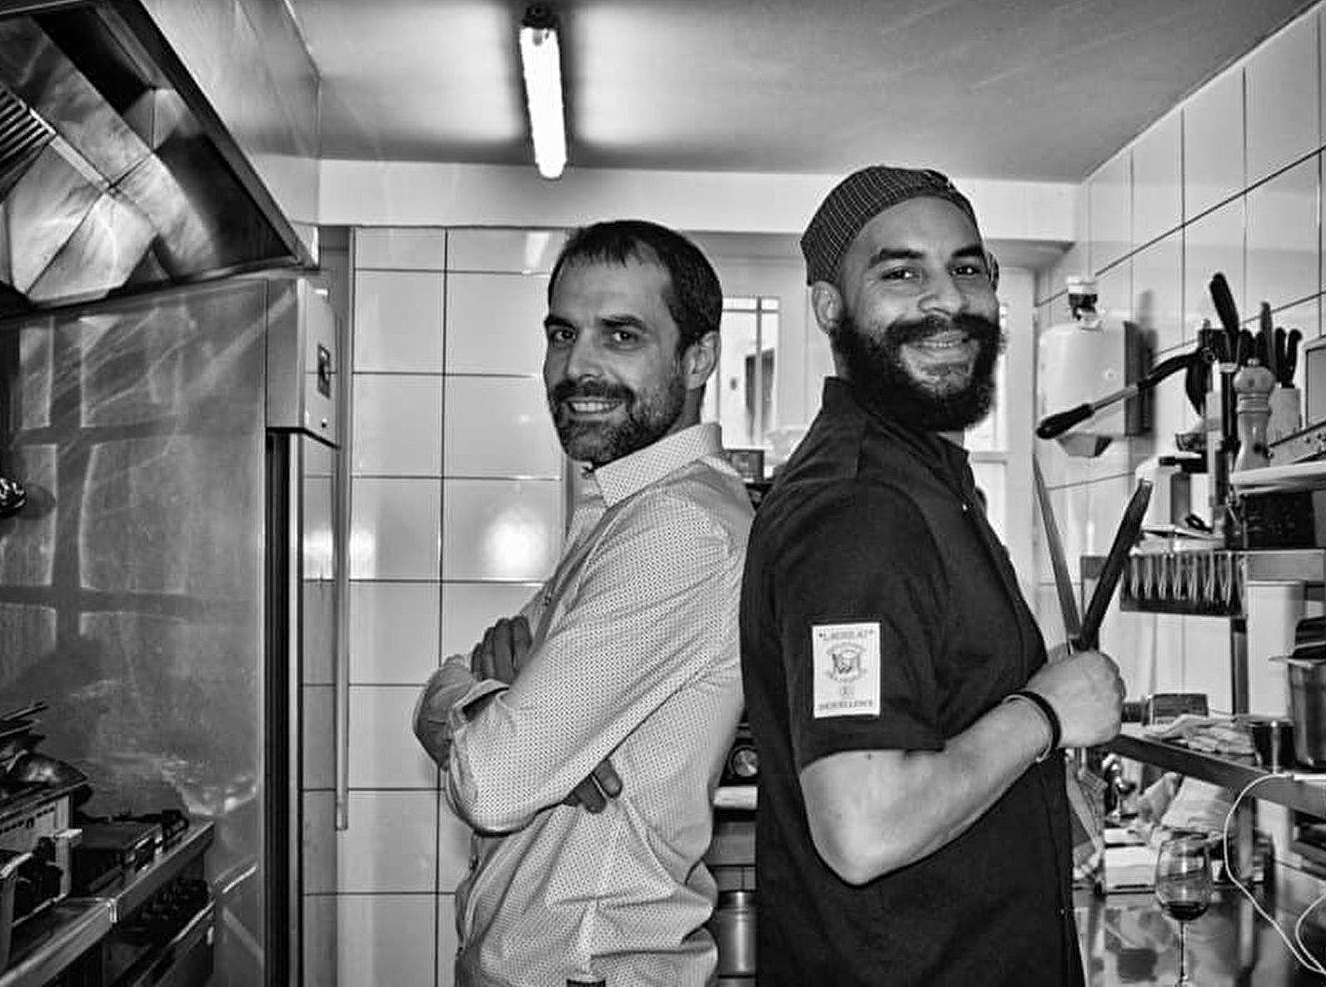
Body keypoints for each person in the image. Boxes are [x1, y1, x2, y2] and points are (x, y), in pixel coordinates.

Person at [740, 167, 1126, 985]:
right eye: (900, 272)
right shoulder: (859, 506)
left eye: (967, 267)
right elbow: (865, 827)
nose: (947, 298)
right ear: (828, 308)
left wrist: (1029, 787)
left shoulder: (927, 483)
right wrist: (1045, 715)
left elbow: (932, 732)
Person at [413, 219, 754, 987]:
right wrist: (493, 700)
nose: (576, 366)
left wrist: (499, 716)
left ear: (698, 358)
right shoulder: (622, 510)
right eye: (562, 333)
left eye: (621, 335)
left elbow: (491, 784)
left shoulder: (678, 527)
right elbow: (446, 695)